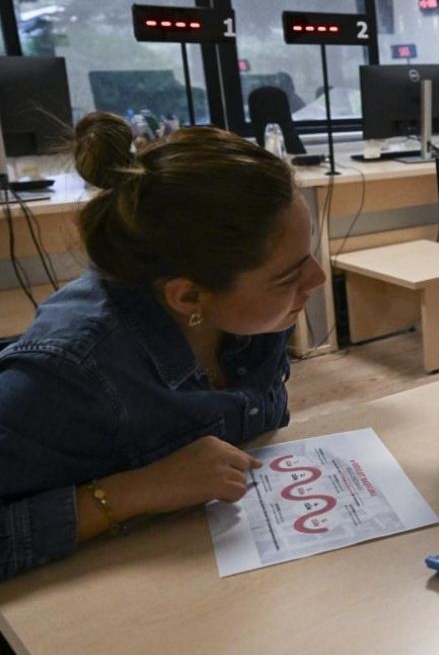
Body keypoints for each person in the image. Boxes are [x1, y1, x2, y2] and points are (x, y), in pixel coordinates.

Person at [0, 113, 326, 581]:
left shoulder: (252, 317)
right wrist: (136, 491)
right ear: (188, 296)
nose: (317, 277)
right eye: (289, 274)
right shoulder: (69, 372)